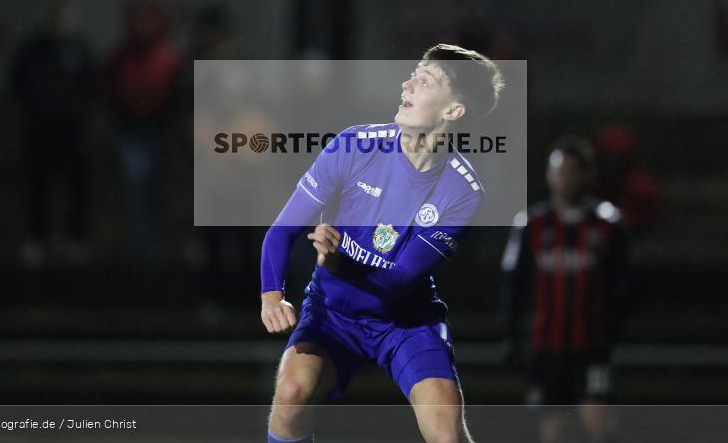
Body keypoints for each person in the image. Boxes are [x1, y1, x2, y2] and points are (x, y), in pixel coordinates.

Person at [259, 44, 504, 443]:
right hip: (332, 311)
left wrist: (339, 264)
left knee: (446, 433)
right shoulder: (355, 146)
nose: (407, 83)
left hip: (405, 322)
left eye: (426, 81)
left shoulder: (462, 190)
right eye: (414, 73)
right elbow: (282, 229)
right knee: (290, 398)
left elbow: (398, 281)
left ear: (453, 111)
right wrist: (272, 295)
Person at [500, 136, 629, 443]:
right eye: (559, 171)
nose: (565, 179)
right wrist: (510, 335)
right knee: (555, 431)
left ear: (588, 175)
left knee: (598, 424)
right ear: (548, 175)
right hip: (546, 349)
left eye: (573, 171)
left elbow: (622, 285)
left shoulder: (608, 224)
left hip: (591, 346)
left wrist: (613, 331)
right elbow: (513, 286)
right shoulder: (531, 224)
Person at [9, 0, 94, 266]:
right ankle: (36, 238)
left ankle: (75, 239)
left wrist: (79, 112)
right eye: (57, 17)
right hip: (41, 128)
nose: (62, 23)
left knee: (77, 185)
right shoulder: (33, 49)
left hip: (72, 129)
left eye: (66, 17)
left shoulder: (81, 49)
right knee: (39, 185)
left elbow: (92, 85)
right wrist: (35, 107)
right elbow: (16, 82)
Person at [102, 1, 181, 259]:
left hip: (161, 133)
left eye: (148, 22)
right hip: (130, 133)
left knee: (161, 192)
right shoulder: (122, 57)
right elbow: (110, 93)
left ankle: (160, 248)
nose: (142, 28)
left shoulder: (167, 57)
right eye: (138, 22)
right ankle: (141, 249)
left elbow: (176, 96)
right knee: (135, 190)